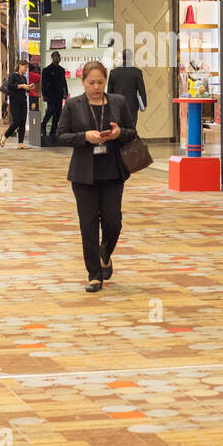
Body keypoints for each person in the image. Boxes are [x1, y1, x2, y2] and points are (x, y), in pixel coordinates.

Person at [57, 60, 138, 293]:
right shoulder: (73, 105)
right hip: (84, 174)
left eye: (100, 82)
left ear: (106, 80)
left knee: (113, 221)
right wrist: (85, 137)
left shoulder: (118, 103)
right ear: (83, 82)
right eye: (91, 82)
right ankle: (94, 274)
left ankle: (105, 252)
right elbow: (61, 136)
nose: (96, 87)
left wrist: (118, 133)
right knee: (89, 224)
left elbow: (132, 133)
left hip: (113, 170)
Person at [108, 50, 147, 124]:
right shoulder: (137, 72)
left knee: (119, 129)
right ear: (131, 58)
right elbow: (142, 90)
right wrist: (144, 104)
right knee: (131, 128)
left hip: (117, 106)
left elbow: (110, 92)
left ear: (123, 58)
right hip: (132, 106)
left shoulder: (113, 72)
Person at [0, 59, 32, 148]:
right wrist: (21, 86)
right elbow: (10, 86)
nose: (26, 69)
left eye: (27, 67)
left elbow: (25, 89)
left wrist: (29, 88)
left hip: (23, 101)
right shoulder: (13, 75)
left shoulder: (24, 78)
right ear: (20, 66)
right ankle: (5, 135)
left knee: (22, 122)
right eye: (25, 67)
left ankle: (20, 143)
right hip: (15, 101)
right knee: (17, 121)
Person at [40, 50, 68, 142]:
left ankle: (53, 133)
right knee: (50, 111)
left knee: (57, 114)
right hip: (50, 95)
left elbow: (64, 82)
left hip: (59, 95)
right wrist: (44, 94)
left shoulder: (62, 70)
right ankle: (43, 125)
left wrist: (65, 93)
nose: (57, 58)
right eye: (55, 56)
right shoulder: (47, 70)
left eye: (58, 56)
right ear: (52, 58)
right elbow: (43, 83)